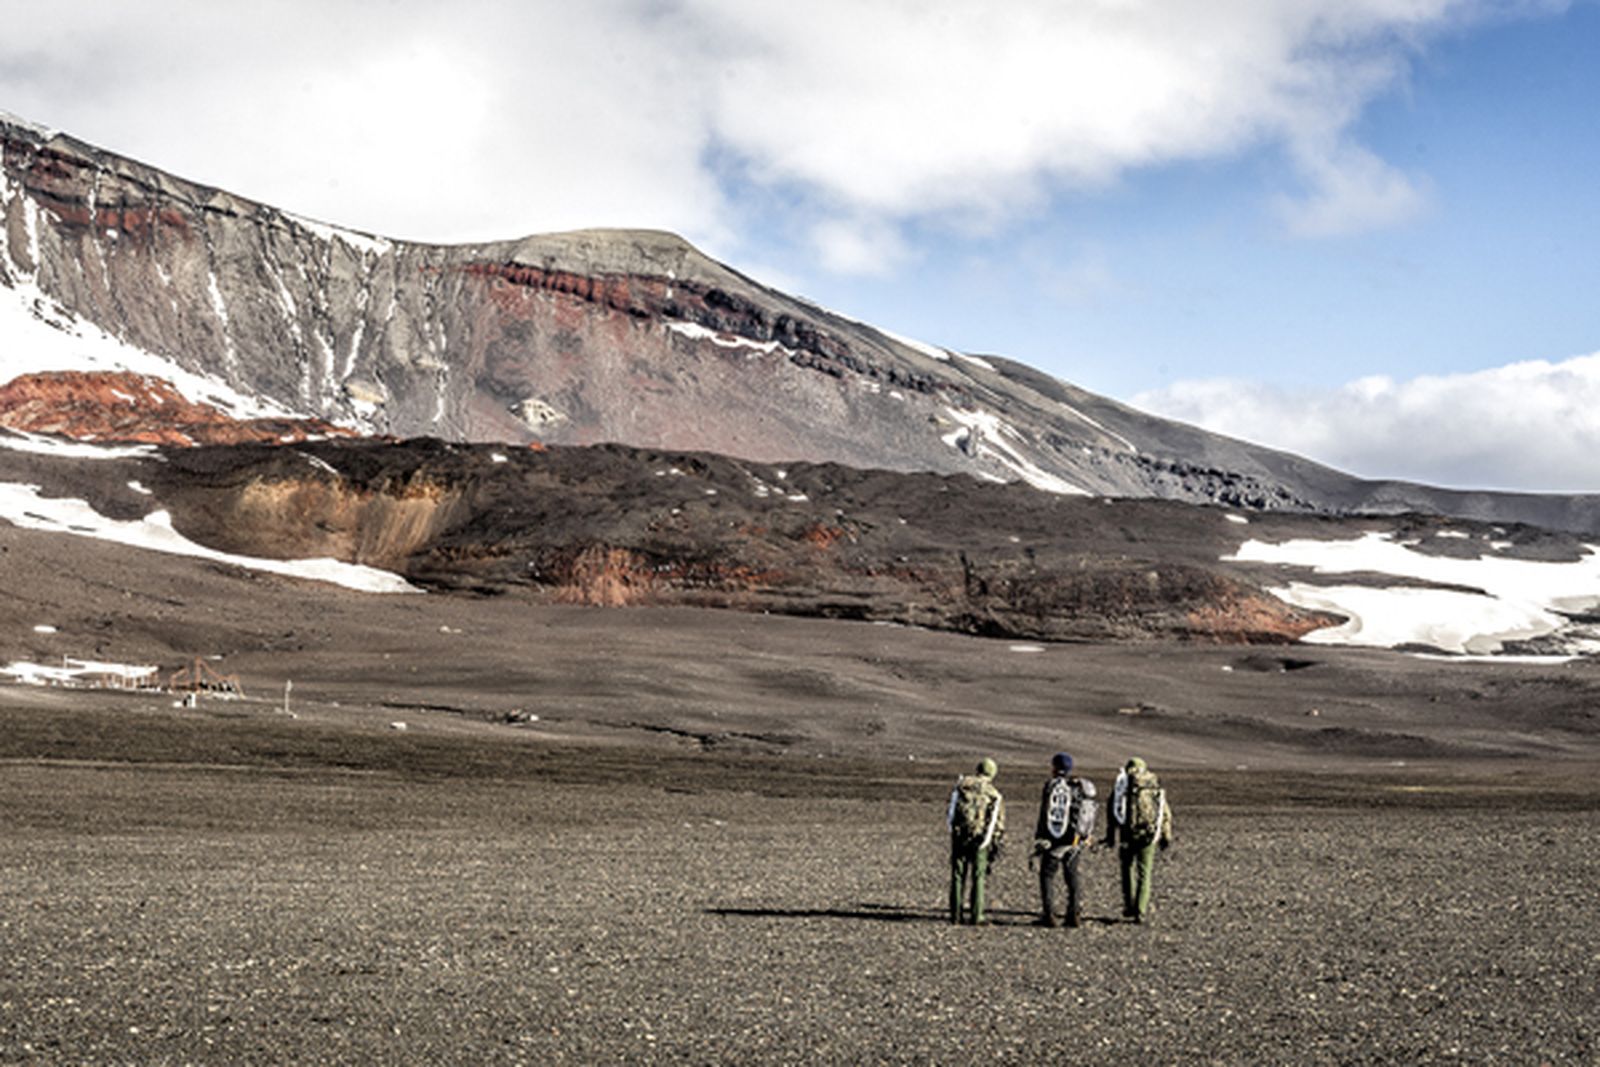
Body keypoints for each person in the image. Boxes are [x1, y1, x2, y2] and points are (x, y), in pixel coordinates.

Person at [1103, 756, 1173, 924]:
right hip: (1148, 834)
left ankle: (1129, 905)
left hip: (1127, 834)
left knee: (1127, 869)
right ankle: (1140, 910)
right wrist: (1166, 835)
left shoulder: (1122, 784)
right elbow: (1164, 812)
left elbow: (1112, 811)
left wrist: (1110, 836)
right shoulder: (1152, 783)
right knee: (1145, 872)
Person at [1031, 752, 1096, 928]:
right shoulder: (1079, 787)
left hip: (1054, 840)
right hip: (1074, 840)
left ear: (1054, 767)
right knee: (1072, 876)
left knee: (1047, 876)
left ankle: (1049, 915)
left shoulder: (1051, 786)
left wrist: (1040, 838)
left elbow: (1045, 814)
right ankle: (1074, 915)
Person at [947, 757, 1005, 925]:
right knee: (978, 876)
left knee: (958, 875)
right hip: (981, 840)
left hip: (959, 836)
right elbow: (997, 821)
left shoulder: (962, 787)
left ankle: (955, 914)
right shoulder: (993, 793)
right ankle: (976, 915)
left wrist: (953, 832)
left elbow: (950, 812)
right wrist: (993, 840)